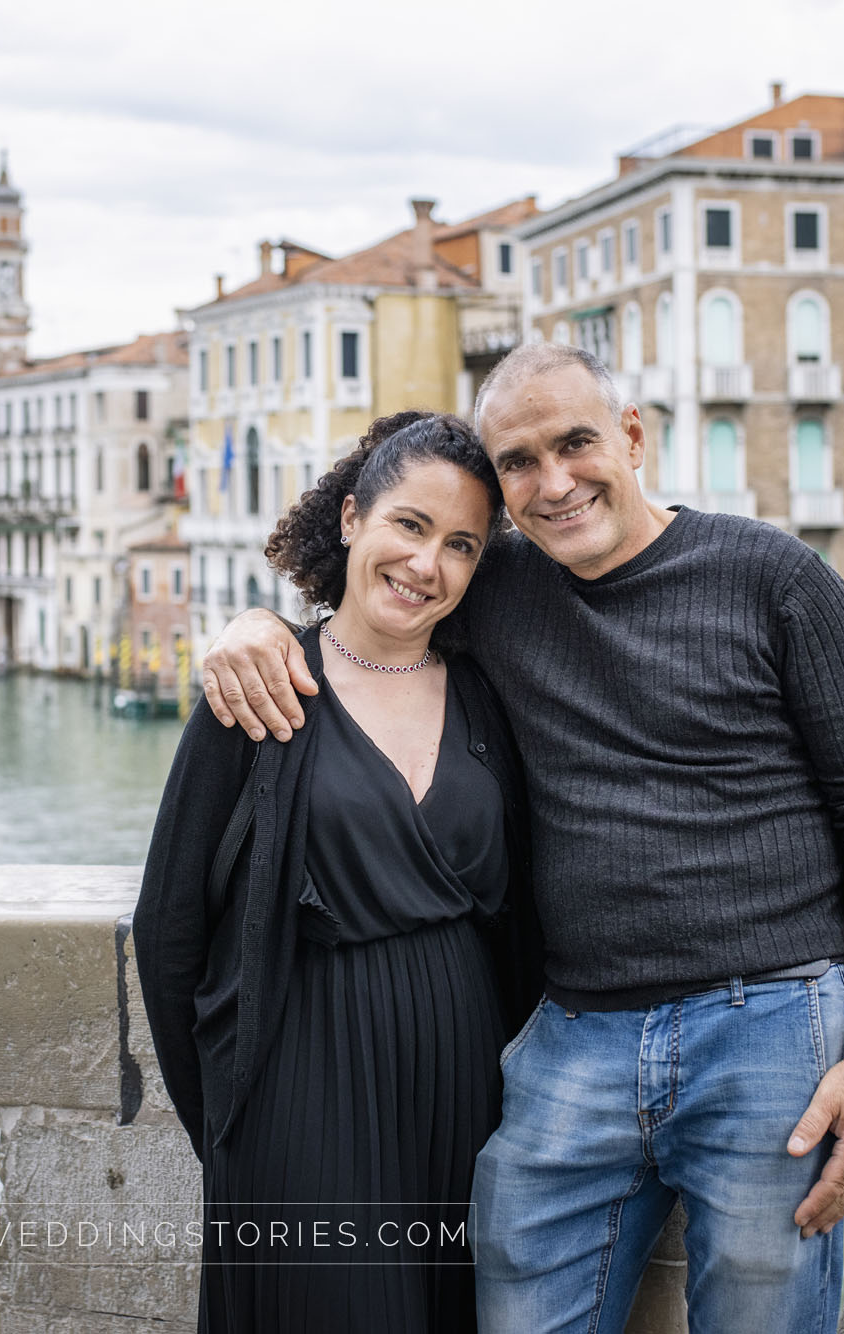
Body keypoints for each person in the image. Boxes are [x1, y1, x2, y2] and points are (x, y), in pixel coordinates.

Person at [198, 342, 844, 1333]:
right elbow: (372, 615)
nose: (552, 483)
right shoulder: (491, 583)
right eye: (517, 461)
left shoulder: (777, 579)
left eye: (575, 442)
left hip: (764, 1023)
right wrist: (252, 624)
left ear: (631, 437)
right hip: (570, 1037)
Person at [134, 411, 540, 1332]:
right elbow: (169, 929)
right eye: (409, 524)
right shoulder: (263, 687)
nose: (426, 563)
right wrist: (231, 1123)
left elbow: (518, 920)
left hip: (463, 1096)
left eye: (461, 545)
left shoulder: (486, 695)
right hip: (301, 1091)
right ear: (353, 518)